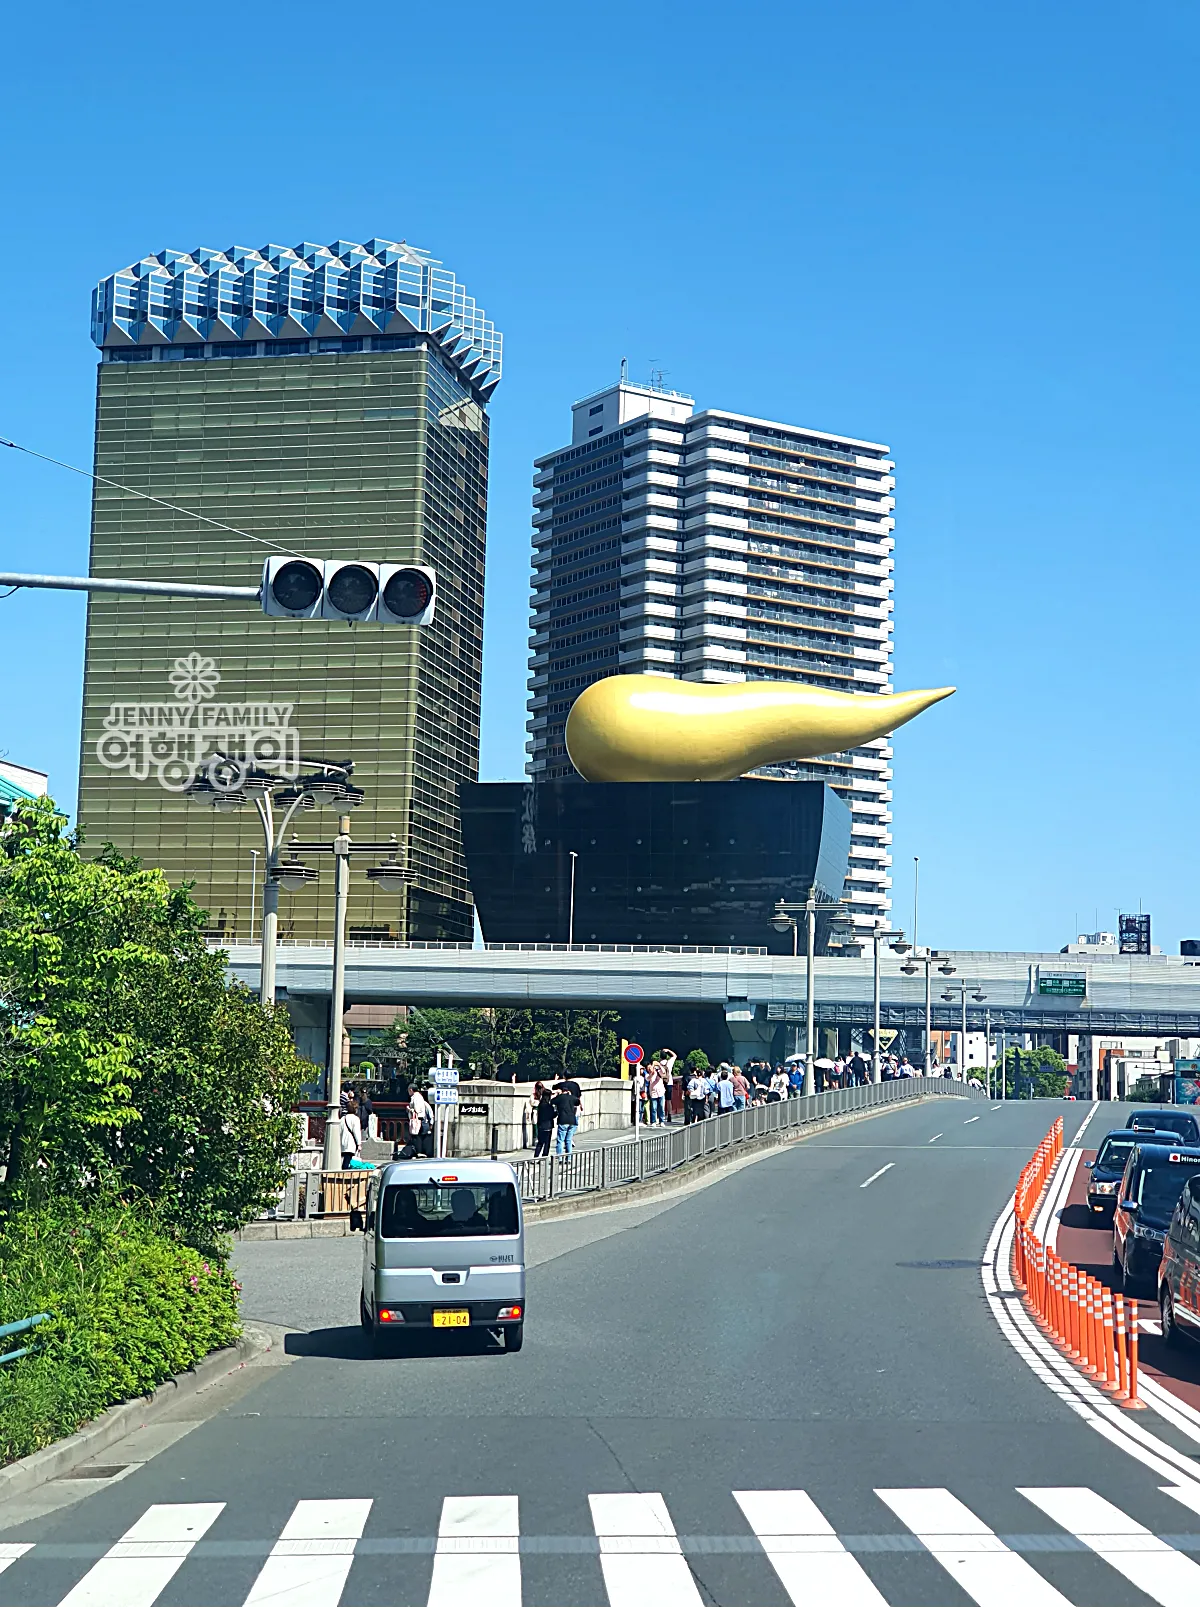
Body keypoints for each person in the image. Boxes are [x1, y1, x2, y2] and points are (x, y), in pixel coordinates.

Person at [553, 1077, 580, 1155]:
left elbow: (552, 1101)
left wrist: (556, 1094)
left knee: (560, 1140)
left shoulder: (560, 1097)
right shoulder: (572, 1097)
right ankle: (569, 1158)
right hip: (572, 1120)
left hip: (563, 1120)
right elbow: (577, 1102)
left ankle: (560, 1157)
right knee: (568, 1140)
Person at [407, 1083, 433, 1158]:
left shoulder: (416, 1097)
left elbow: (417, 1110)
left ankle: (419, 1152)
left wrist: (409, 1109)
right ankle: (421, 1152)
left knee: (417, 1136)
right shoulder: (420, 1097)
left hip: (419, 1120)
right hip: (422, 1120)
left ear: (411, 1090)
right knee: (421, 1136)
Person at [530, 1082, 555, 1157]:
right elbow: (552, 1115)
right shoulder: (549, 1106)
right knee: (547, 1144)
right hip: (548, 1126)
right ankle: (544, 1157)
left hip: (540, 1126)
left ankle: (536, 1156)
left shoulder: (540, 1105)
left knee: (540, 1142)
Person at [340, 1101, 362, 1169]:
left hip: (343, 1142)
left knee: (344, 1160)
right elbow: (356, 1132)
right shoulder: (355, 1119)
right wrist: (359, 1144)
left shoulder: (342, 1118)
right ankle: (344, 1176)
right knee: (348, 1162)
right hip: (351, 1143)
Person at [647, 1059, 666, 1125]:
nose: (649, 1069)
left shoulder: (658, 1072)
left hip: (660, 1092)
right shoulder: (648, 1075)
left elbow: (663, 1072)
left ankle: (662, 1121)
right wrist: (652, 1074)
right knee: (653, 1108)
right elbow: (648, 1078)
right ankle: (653, 1121)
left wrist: (659, 1065)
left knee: (661, 1107)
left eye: (650, 1067)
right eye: (648, 1068)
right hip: (653, 1093)